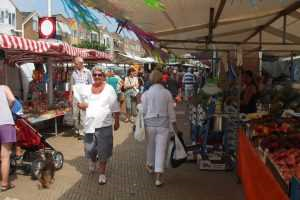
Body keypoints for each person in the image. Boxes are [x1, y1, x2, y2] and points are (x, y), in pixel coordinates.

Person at [76, 66, 120, 185]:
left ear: (104, 76)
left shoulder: (109, 89)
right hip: (89, 124)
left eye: (99, 74)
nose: (97, 77)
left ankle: (102, 173)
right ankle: (92, 160)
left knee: (104, 150)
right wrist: (80, 105)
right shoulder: (86, 89)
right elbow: (79, 102)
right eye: (95, 74)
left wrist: (117, 121)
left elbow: (115, 106)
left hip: (104, 125)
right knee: (90, 148)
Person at [141, 70, 177, 187]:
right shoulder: (167, 93)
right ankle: (158, 178)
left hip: (149, 124)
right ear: (162, 79)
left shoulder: (146, 94)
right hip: (163, 124)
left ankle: (150, 165)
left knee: (150, 146)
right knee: (161, 150)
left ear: (150, 80)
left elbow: (144, 111)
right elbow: (171, 113)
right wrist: (175, 127)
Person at [69, 56, 93, 138]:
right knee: (75, 115)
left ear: (81, 63)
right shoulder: (73, 73)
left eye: (76, 64)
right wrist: (70, 96)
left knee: (83, 114)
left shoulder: (88, 72)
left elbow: (91, 84)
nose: (75, 65)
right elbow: (71, 85)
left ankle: (82, 132)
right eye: (75, 63)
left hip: (84, 96)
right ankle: (77, 129)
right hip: (76, 96)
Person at [0, 85, 17, 191]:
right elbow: (12, 99)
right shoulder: (4, 88)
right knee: (5, 156)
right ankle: (5, 184)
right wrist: (8, 107)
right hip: (5, 122)